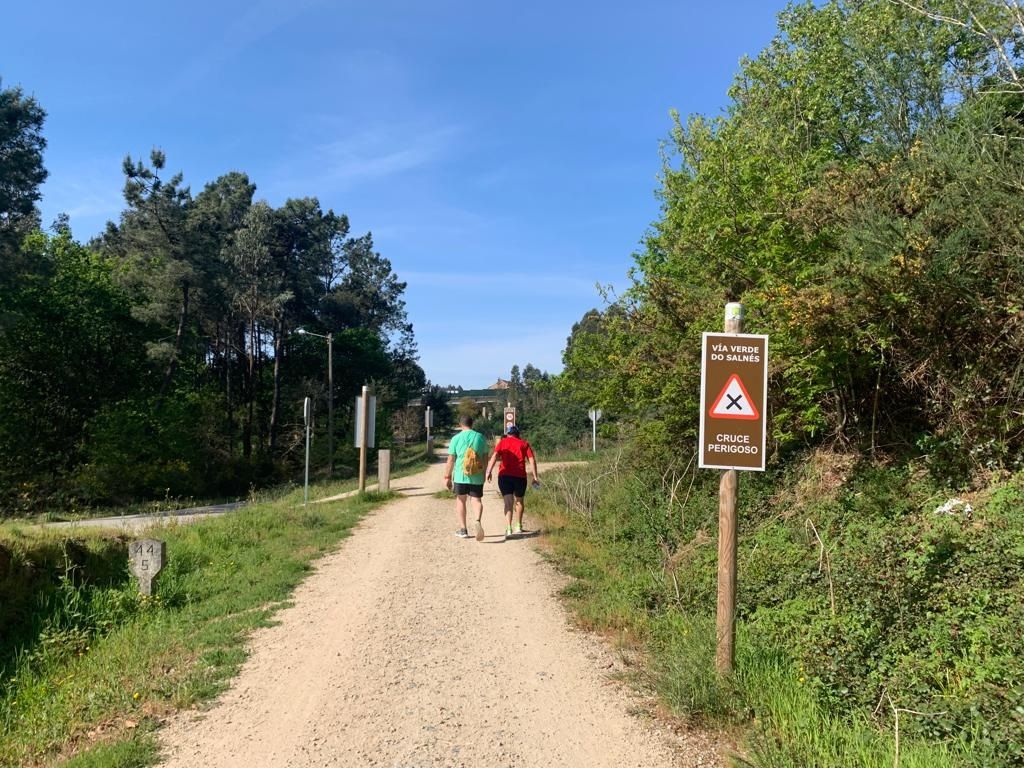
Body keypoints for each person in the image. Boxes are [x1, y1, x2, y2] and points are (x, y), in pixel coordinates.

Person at [485, 424, 539, 537]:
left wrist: (488, 471)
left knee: (508, 502)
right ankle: (518, 526)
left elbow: (494, 456)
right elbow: (532, 460)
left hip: (504, 476)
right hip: (520, 476)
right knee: (519, 501)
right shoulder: (524, 443)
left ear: (508, 434)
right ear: (518, 434)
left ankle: (509, 528)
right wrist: (535, 477)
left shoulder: (503, 442)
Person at [444, 415, 489, 540]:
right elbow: (486, 457)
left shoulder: (456, 438)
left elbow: (451, 459)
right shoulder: (480, 437)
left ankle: (463, 529)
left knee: (461, 500)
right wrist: (484, 472)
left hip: (460, 475)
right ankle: (477, 520)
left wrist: (447, 476)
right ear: (472, 423)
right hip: (477, 475)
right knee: (477, 500)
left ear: (460, 424)